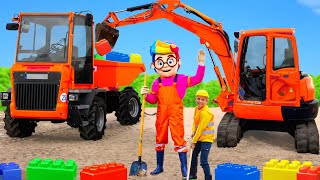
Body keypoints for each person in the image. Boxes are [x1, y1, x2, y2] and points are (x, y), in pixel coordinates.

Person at [140, 40, 206, 179]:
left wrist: (201, 63)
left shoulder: (181, 79)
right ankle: (159, 166)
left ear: (178, 62)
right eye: (160, 62)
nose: (164, 66)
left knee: (179, 139)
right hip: (161, 114)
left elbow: (198, 79)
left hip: (176, 115)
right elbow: (153, 100)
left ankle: (183, 167)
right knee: (159, 139)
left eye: (169, 61)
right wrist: (145, 95)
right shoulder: (156, 83)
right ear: (154, 65)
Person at [189, 90, 214, 180]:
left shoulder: (205, 113)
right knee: (193, 156)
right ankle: (193, 175)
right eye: (198, 99)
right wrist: (193, 131)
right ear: (196, 98)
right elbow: (195, 122)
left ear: (206, 101)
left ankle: (208, 178)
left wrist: (193, 141)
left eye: (203, 99)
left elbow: (200, 128)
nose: (200, 101)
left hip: (207, 139)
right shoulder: (197, 109)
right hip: (199, 137)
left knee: (203, 161)